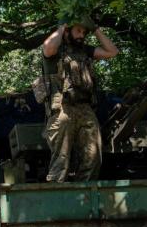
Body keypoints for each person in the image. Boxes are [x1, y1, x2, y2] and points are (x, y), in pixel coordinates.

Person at [40, 19, 119, 182]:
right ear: (68, 31)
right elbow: (47, 48)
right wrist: (62, 26)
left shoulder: (85, 51)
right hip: (62, 108)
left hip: (85, 108)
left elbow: (112, 52)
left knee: (93, 156)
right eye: (78, 31)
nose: (81, 35)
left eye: (84, 32)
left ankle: (85, 197)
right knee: (61, 160)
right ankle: (56, 197)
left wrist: (96, 29)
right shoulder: (56, 50)